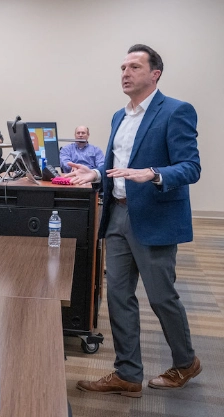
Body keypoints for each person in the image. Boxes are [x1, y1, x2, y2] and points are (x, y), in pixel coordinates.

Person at [70, 44, 201, 398]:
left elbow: (191, 167)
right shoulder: (119, 116)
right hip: (116, 215)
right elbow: (118, 166)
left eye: (134, 67)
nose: (125, 73)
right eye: (123, 67)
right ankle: (127, 373)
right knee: (118, 296)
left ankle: (185, 361)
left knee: (161, 297)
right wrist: (96, 174)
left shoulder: (176, 111)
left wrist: (154, 173)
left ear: (154, 74)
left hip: (155, 217)